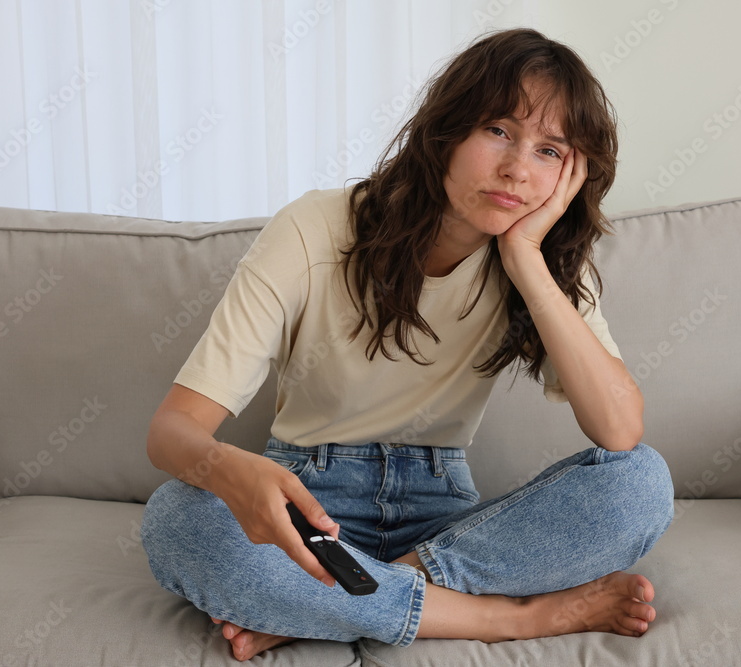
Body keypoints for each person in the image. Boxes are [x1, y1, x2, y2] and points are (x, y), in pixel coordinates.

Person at [141, 27, 674, 662]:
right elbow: (171, 432)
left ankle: (329, 604)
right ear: (445, 130)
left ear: (571, 174)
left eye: (549, 151)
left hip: (444, 517)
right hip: (309, 503)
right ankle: (509, 618)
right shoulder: (314, 228)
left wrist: (526, 260)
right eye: (498, 130)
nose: (516, 168)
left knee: (641, 483)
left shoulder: (547, 260)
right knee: (177, 520)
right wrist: (232, 470)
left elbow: (619, 430)